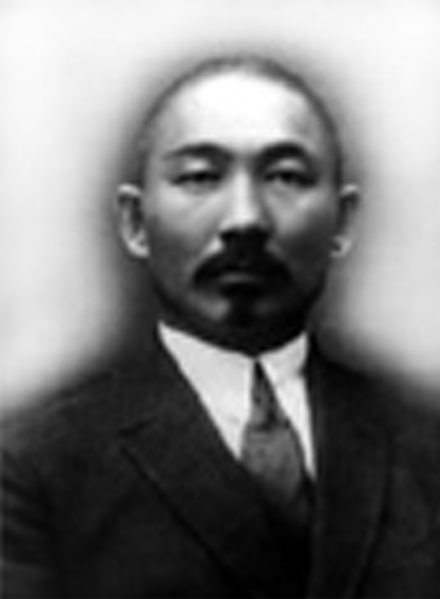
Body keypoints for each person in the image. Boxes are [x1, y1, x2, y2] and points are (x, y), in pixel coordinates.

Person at [1, 54, 439, 599]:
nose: (245, 219)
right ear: (135, 223)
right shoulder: (33, 466)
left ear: (342, 222)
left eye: (285, 176)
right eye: (200, 177)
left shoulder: (425, 444)